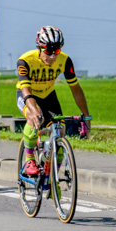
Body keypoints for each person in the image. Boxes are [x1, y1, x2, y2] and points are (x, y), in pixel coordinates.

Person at [16, 26, 91, 179]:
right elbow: (26, 91)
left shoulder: (65, 60)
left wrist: (86, 116)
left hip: (48, 95)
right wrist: (34, 109)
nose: (52, 56)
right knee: (33, 117)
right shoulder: (25, 61)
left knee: (60, 131)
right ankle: (30, 159)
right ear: (39, 48)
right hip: (27, 95)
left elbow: (76, 89)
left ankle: (51, 174)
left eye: (56, 51)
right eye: (48, 52)